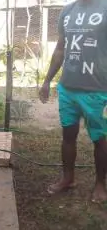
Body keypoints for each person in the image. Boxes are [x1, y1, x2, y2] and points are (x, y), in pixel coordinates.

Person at [39, 0, 107, 203]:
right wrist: (47, 80)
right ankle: (68, 178)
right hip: (68, 87)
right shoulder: (67, 11)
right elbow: (60, 48)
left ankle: (100, 184)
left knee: (100, 139)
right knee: (68, 135)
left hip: (98, 90)